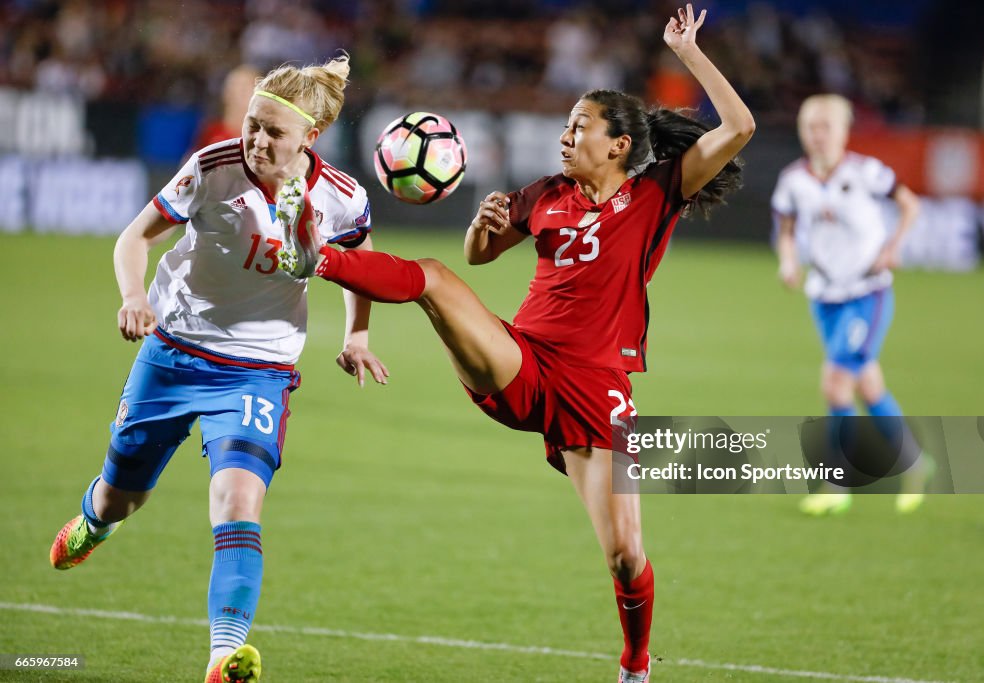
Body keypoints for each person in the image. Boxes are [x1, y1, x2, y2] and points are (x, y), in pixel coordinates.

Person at [278, 6, 752, 681]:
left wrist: (688, 54)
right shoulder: (547, 195)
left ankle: (636, 665)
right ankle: (313, 256)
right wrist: (481, 224)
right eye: (563, 126)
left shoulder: (656, 194)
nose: (566, 137)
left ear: (619, 144)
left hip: (598, 391)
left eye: (579, 127)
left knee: (625, 553)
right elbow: (477, 258)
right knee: (436, 278)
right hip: (521, 362)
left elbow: (740, 126)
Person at [48, 54, 386, 683]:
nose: (256, 139)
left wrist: (357, 333)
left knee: (236, 503)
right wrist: (133, 297)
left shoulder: (341, 197)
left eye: (273, 131)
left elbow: (359, 258)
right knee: (123, 495)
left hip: (259, 369)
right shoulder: (213, 167)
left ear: (310, 138)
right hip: (175, 350)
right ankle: (96, 521)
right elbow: (135, 236)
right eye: (253, 124)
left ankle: (224, 656)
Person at [771, 93, 931, 516]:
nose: (818, 136)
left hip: (868, 293)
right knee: (868, 385)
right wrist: (789, 262)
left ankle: (835, 484)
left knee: (836, 383)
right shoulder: (794, 180)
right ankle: (916, 464)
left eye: (827, 127)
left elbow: (909, 203)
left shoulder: (866, 172)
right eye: (811, 127)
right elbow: (787, 229)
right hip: (824, 297)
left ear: (843, 132)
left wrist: (894, 247)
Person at [193, 64, 262, 150]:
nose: (244, 92)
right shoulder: (211, 132)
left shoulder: (264, 137)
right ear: (226, 93)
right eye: (239, 85)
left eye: (250, 85)